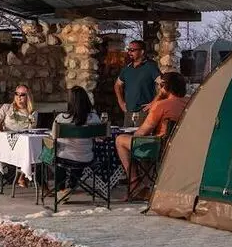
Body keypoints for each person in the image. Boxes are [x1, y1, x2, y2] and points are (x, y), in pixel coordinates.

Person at [115, 71, 188, 199]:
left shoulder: (162, 105)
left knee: (120, 140)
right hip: (182, 147)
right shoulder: (189, 103)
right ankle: (146, 184)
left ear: (165, 86)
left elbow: (142, 133)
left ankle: (134, 183)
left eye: (160, 85)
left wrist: (160, 96)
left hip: (160, 148)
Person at [50, 86, 101, 196]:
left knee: (57, 154)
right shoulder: (94, 118)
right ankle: (72, 185)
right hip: (87, 158)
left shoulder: (61, 118)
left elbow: (53, 137)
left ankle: (61, 189)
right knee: (78, 153)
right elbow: (100, 138)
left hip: (64, 158)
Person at [0, 84, 38, 187]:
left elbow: (31, 131)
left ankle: (22, 176)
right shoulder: (6, 108)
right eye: (17, 94)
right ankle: (23, 176)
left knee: (30, 147)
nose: (19, 97)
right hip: (8, 142)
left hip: (22, 143)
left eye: (22, 95)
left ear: (28, 97)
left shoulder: (32, 113)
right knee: (29, 149)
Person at [114, 40, 162, 126]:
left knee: (141, 138)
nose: (129, 52)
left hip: (143, 112)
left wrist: (153, 103)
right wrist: (121, 102)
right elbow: (117, 85)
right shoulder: (127, 68)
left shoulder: (150, 67)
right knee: (127, 136)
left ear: (142, 51)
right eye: (129, 50)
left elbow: (164, 86)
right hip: (128, 112)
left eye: (133, 50)